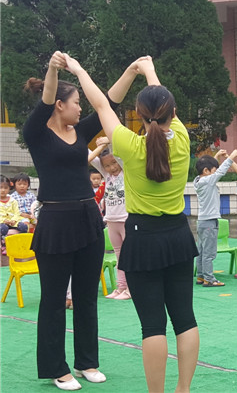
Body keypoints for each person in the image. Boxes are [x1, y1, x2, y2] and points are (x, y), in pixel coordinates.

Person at [67, 53, 200, 393]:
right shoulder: (182, 139)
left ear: (139, 115)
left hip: (143, 239)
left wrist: (79, 69)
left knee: (152, 326)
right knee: (185, 319)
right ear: (172, 112)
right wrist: (149, 70)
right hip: (178, 236)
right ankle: (184, 389)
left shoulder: (128, 145)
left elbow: (101, 104)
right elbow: (162, 103)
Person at [23, 51, 138, 390]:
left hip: (88, 218)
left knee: (87, 296)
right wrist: (53, 69)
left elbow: (108, 103)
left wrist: (131, 71)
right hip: (55, 222)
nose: (79, 108)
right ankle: (57, 368)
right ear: (60, 105)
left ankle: (87, 362)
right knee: (54, 299)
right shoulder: (37, 133)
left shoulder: (80, 131)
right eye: (75, 103)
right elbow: (45, 101)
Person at [90, 136, 131, 300]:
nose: (112, 167)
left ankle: (131, 288)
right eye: (107, 165)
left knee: (129, 255)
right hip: (111, 220)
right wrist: (101, 147)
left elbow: (120, 153)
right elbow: (89, 156)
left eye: (114, 163)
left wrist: (110, 141)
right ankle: (121, 287)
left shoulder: (126, 170)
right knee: (118, 255)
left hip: (126, 219)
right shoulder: (106, 175)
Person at [194, 149, 237, 287]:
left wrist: (216, 157)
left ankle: (201, 276)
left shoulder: (199, 180)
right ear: (206, 171)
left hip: (202, 221)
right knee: (209, 253)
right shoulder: (208, 181)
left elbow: (210, 169)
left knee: (202, 251)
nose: (215, 172)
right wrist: (231, 157)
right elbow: (220, 172)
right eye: (213, 170)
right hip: (209, 222)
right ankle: (209, 279)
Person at [1, 177, 29, 248]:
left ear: (9, 188)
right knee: (3, 228)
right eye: (0, 188)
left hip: (13, 222)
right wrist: (4, 220)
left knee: (23, 226)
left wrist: (14, 220)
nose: (3, 190)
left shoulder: (13, 201)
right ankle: (4, 244)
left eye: (5, 188)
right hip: (2, 222)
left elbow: (17, 212)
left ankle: (21, 243)